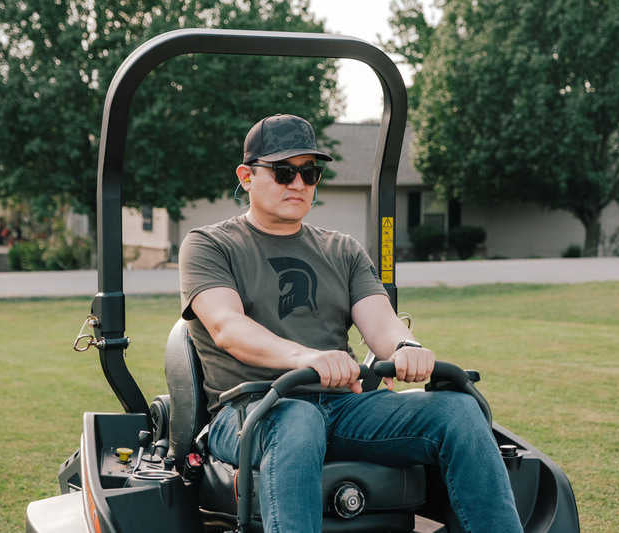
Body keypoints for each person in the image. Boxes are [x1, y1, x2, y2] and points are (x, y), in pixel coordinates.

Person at [179, 114, 522, 533]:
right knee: (297, 421)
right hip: (251, 409)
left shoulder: (341, 249)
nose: (299, 184)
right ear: (246, 176)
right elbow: (227, 328)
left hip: (341, 406)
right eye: (285, 171)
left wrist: (406, 349)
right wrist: (309, 358)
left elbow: (382, 324)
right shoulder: (210, 245)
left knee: (459, 410)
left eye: (310, 173)